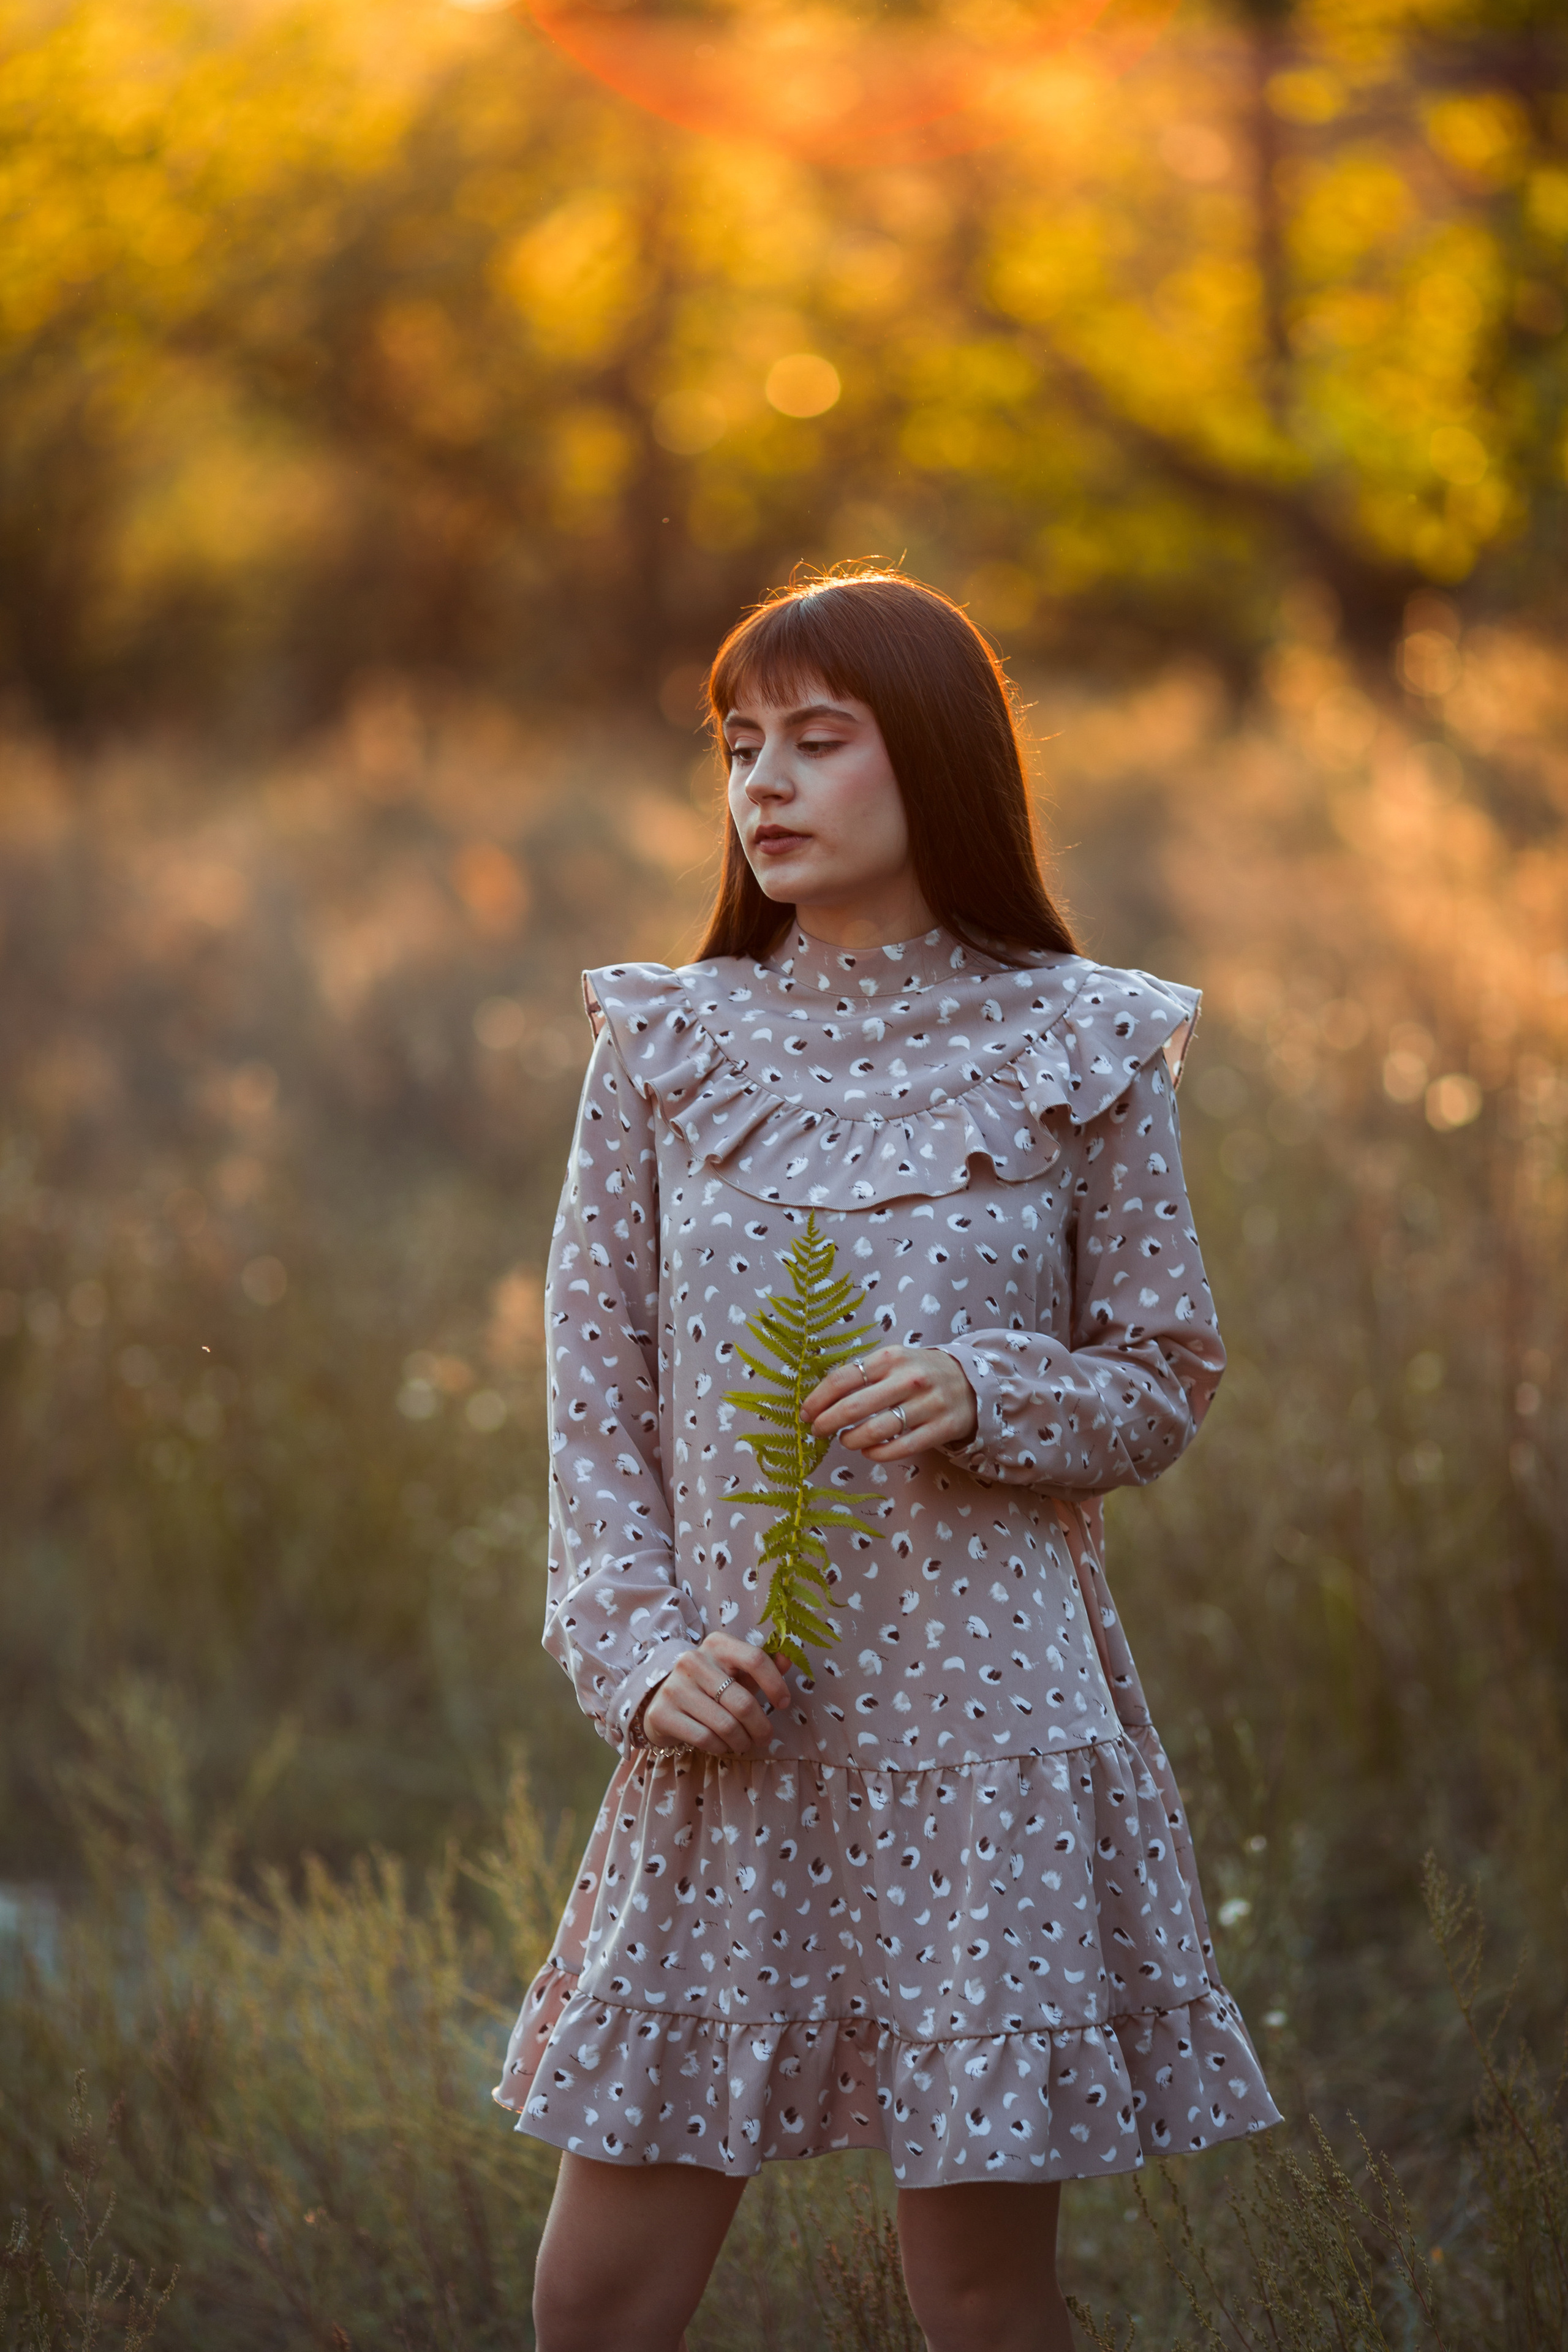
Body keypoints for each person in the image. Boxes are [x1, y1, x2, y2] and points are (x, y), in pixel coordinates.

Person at [495, 568, 1280, 2351]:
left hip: (990, 1735)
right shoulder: (667, 1044)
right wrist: (634, 1655)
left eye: (817, 743)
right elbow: (595, 1390)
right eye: (739, 745)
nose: (762, 784)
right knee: (599, 2292)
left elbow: (1162, 1374)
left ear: (931, 760)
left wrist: (989, 1393)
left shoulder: (1084, 1042)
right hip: (735, 1715)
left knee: (985, 2294)